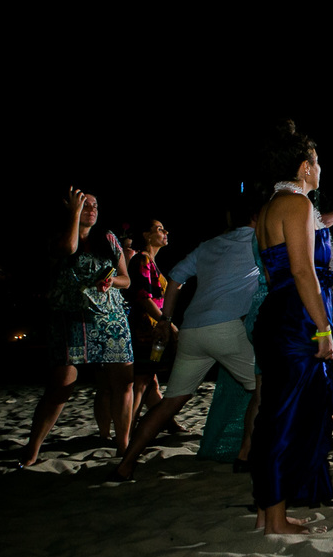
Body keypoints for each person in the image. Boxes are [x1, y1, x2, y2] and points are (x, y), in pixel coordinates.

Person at [110, 197, 264, 484]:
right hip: (226, 327)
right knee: (264, 387)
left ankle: (126, 463)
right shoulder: (260, 239)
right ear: (257, 216)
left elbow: (176, 278)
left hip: (192, 329)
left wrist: (167, 321)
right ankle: (245, 455)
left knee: (169, 403)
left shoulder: (209, 245)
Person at [247, 121, 333, 535]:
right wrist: (323, 330)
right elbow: (304, 271)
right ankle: (274, 520)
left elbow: (277, 275)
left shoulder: (269, 208)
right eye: (318, 161)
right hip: (296, 320)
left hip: (278, 313)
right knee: (286, 418)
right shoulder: (298, 205)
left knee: (275, 413)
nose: (321, 168)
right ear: (305, 167)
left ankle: (269, 510)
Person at [21, 189, 134, 465]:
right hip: (70, 316)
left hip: (110, 318)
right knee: (62, 384)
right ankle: (33, 448)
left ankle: (124, 446)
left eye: (95, 205)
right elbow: (67, 250)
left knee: (123, 382)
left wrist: (110, 282)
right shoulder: (58, 236)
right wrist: (74, 215)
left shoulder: (108, 239)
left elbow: (126, 279)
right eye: (85, 205)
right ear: (70, 208)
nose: (92, 210)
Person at [125, 219, 172, 426]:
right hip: (145, 328)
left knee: (150, 380)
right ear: (146, 235)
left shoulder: (150, 262)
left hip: (152, 327)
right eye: (160, 229)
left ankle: (167, 423)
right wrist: (166, 322)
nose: (165, 232)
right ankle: (129, 427)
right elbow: (144, 297)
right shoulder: (143, 260)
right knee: (142, 380)